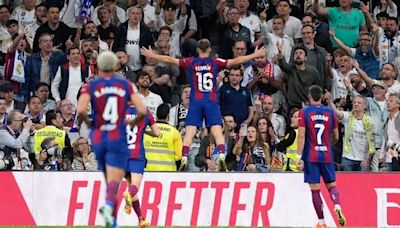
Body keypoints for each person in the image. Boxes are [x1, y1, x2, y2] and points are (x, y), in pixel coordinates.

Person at [140, 38, 266, 169]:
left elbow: (170, 60)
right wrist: (254, 55)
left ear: (197, 50)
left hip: (196, 101)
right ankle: (222, 153)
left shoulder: (191, 62)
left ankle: (184, 155)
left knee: (190, 131)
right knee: (217, 131)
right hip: (211, 101)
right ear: (210, 49)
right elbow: (236, 61)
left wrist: (153, 55)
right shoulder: (214, 61)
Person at [76, 51, 146, 227]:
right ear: (115, 66)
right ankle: (109, 208)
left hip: (100, 137)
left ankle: (112, 218)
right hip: (116, 136)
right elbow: (143, 111)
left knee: (111, 181)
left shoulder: (90, 86)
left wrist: (91, 125)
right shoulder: (125, 85)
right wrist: (131, 124)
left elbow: (81, 110)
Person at [296, 85, 345, 227]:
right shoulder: (330, 112)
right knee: (331, 185)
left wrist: (299, 156)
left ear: (309, 97)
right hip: (327, 155)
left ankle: (321, 222)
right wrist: (329, 145)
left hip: (311, 156)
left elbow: (301, 135)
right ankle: (337, 205)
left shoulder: (304, 112)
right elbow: (336, 136)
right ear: (322, 97)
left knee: (315, 190)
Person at [123, 106, 159, 228]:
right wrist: (145, 131)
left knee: (131, 185)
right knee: (134, 187)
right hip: (137, 155)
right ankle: (128, 194)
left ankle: (141, 219)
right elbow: (157, 133)